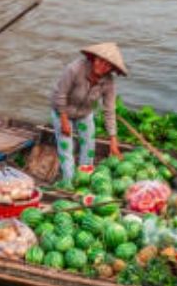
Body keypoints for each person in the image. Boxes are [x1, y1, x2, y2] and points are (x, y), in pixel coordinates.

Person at [50, 42, 128, 185]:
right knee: (66, 149)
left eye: (107, 65)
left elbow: (109, 110)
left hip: (84, 114)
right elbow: (60, 95)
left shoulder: (108, 82)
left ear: (111, 68)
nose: (102, 66)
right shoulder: (74, 69)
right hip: (62, 110)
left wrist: (113, 140)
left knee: (89, 148)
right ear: (94, 58)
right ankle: (69, 184)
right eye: (100, 61)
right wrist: (64, 120)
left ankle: (84, 182)